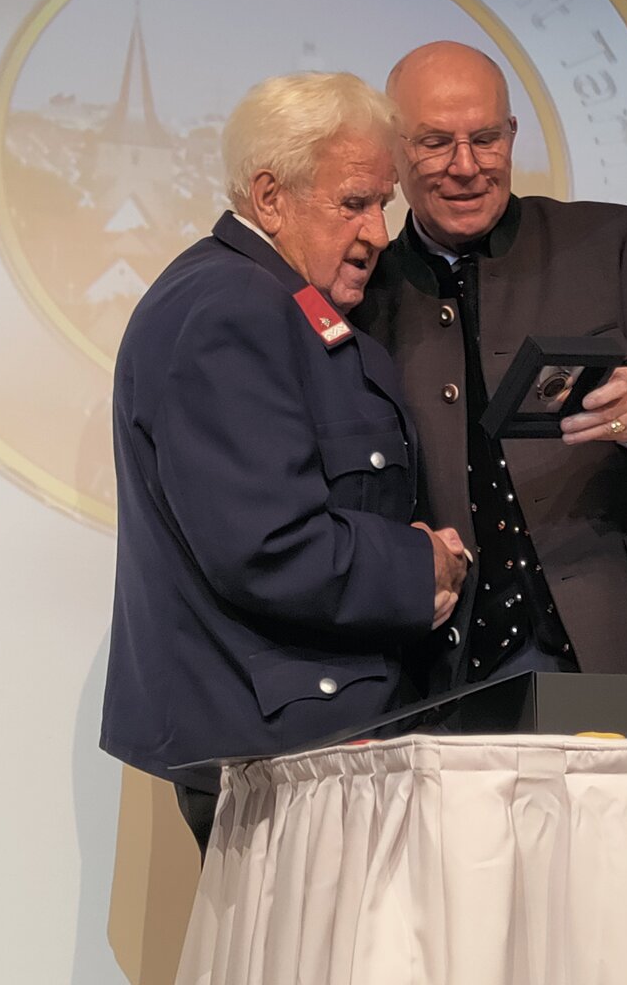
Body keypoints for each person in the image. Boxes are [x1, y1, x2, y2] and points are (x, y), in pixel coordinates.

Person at [100, 72, 468, 853]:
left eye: (383, 204)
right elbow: (267, 546)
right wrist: (421, 567)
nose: (378, 233)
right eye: (354, 203)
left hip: (302, 739)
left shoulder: (272, 299)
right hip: (285, 752)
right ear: (270, 198)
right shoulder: (235, 307)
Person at [352, 41, 627, 686]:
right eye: (435, 143)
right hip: (453, 671)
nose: (465, 167)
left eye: (486, 139)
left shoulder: (605, 242)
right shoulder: (362, 294)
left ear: (512, 135)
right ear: (394, 152)